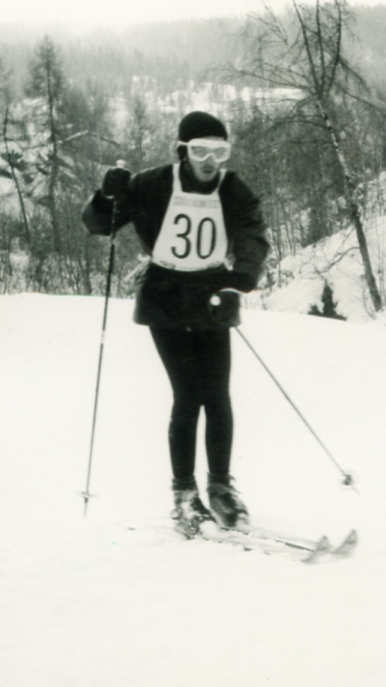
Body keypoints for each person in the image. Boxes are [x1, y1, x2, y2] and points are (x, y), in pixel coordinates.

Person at [83, 111, 269, 535]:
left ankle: (220, 488)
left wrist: (240, 279)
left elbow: (252, 233)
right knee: (188, 394)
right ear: (182, 151)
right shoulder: (152, 184)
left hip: (212, 295)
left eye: (219, 151)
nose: (210, 161)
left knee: (217, 395)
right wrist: (106, 197)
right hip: (165, 297)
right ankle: (184, 493)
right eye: (200, 151)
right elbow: (99, 225)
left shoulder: (232, 188)